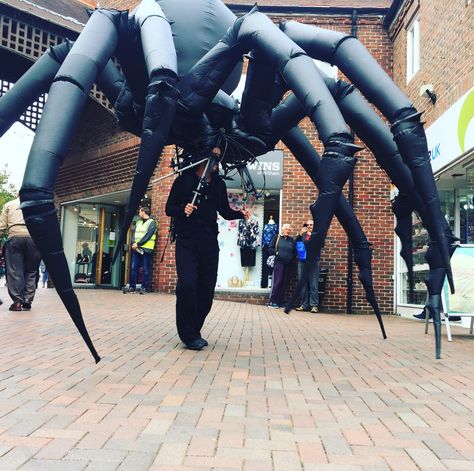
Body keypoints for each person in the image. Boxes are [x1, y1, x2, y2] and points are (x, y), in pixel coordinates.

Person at [165, 146, 250, 351]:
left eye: (219, 158)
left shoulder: (218, 184)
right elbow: (169, 208)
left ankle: (194, 330)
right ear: (203, 158)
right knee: (187, 285)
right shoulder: (184, 181)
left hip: (209, 243)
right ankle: (187, 334)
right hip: (187, 241)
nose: (217, 162)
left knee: (206, 290)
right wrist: (183, 208)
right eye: (214, 157)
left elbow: (224, 211)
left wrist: (241, 214)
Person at [0, 197, 41, 311]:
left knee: (14, 271)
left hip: (15, 238)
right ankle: (27, 300)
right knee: (31, 271)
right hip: (33, 239)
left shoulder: (9, 205)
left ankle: (17, 302)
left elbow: (1, 227)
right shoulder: (37, 204)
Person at [123, 206, 156, 294]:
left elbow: (148, 235)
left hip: (146, 249)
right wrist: (133, 243)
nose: (139, 213)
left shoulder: (152, 223)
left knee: (145, 269)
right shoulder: (138, 222)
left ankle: (144, 288)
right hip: (136, 248)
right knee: (134, 268)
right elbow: (134, 234)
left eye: (140, 212)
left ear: (144, 212)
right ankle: (132, 287)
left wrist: (138, 244)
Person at [295, 219, 320, 313]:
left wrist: (310, 236)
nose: (309, 226)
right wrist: (300, 234)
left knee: (313, 284)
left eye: (311, 224)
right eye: (307, 225)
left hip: (313, 263)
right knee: (303, 284)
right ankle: (304, 305)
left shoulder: (317, 235)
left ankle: (314, 305)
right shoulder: (302, 235)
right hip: (302, 262)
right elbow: (295, 244)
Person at [268, 223, 295, 308]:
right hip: (279, 263)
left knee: (284, 283)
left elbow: (294, 251)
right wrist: (276, 253)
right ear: (282, 230)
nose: (288, 230)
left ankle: (280, 302)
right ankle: (272, 301)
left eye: (289, 229)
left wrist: (291, 258)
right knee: (278, 282)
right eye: (286, 229)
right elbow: (270, 248)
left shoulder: (291, 240)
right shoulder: (277, 237)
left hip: (288, 264)